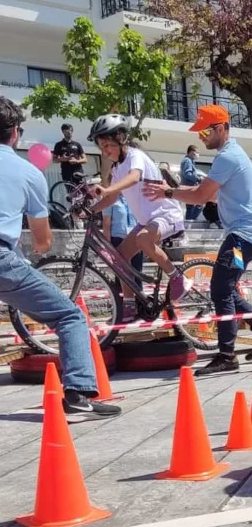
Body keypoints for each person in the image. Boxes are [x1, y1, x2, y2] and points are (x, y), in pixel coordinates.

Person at [0, 97, 121, 422]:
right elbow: (42, 240)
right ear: (15, 134)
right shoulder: (27, 173)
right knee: (70, 317)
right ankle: (78, 396)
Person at [142, 105, 252, 375]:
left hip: (242, 238)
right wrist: (171, 191)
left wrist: (168, 193)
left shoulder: (228, 158)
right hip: (245, 237)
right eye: (200, 134)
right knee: (228, 286)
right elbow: (208, 194)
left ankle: (226, 355)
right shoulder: (231, 155)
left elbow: (200, 197)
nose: (202, 138)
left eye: (205, 132)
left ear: (221, 128)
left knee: (221, 289)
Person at [88, 115, 190, 322]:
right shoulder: (117, 169)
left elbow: (134, 177)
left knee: (144, 239)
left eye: (108, 145)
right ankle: (129, 306)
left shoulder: (136, 156)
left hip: (166, 215)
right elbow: (112, 198)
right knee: (119, 259)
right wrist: (89, 210)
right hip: (147, 221)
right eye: (101, 147)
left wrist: (106, 188)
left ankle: (178, 276)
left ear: (121, 138)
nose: (105, 151)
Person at [101, 173, 143, 290]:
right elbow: (106, 224)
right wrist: (108, 246)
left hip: (135, 238)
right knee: (122, 275)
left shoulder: (133, 198)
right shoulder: (109, 200)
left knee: (137, 273)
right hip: (118, 240)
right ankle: (121, 304)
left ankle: (140, 304)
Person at [180, 145, 203, 220]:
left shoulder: (188, 161)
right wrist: (198, 179)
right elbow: (187, 174)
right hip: (189, 187)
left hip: (188, 187)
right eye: (196, 152)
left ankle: (189, 221)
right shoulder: (188, 161)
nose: (197, 154)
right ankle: (190, 222)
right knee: (198, 204)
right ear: (191, 152)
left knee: (191, 206)